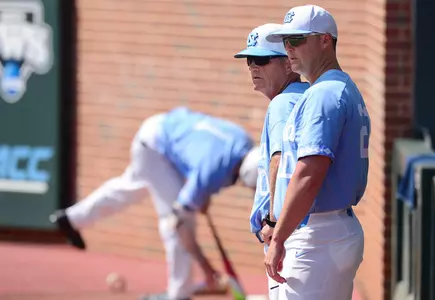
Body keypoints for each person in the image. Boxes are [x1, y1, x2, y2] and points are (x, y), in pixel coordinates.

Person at [49, 107, 261, 300]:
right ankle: (179, 294)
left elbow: (201, 153)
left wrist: (201, 195)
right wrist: (206, 266)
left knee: (129, 188)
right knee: (175, 221)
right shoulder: (210, 172)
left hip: (160, 128)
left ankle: (71, 218)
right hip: (156, 147)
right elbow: (179, 221)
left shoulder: (244, 142)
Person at [264, 4, 371, 299]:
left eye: (297, 40)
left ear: (325, 40)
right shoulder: (340, 87)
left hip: (316, 234)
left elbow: (309, 174)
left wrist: (279, 237)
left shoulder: (324, 94)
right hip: (330, 228)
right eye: (285, 41)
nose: (288, 48)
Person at [233, 23, 309, 298]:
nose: (253, 67)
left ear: (288, 64)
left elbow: (281, 161)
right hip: (313, 229)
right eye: (250, 60)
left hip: (293, 235)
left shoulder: (282, 103)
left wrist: (275, 224)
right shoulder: (307, 96)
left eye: (262, 60)